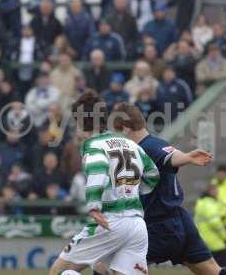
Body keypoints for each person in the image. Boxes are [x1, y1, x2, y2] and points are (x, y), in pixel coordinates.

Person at [112, 103, 226, 275]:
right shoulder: (153, 143)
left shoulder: (147, 147)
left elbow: (170, 157)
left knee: (112, 264)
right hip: (179, 220)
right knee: (213, 272)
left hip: (158, 227)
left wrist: (187, 157)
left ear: (124, 129)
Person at [49, 90, 160, 275]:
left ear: (82, 123)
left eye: (75, 124)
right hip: (137, 225)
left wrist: (93, 206)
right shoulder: (129, 143)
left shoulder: (93, 146)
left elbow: (98, 170)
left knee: (59, 272)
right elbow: (153, 174)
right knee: (100, 268)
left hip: (109, 222)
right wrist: (129, 190)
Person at [194, 184, 226, 266]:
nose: (217, 192)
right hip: (214, 241)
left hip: (204, 238)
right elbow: (215, 222)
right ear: (210, 192)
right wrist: (225, 236)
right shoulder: (209, 204)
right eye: (215, 190)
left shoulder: (201, 202)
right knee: (219, 268)